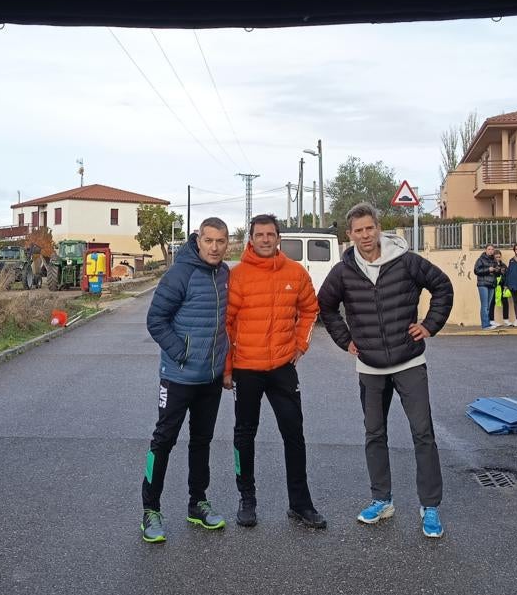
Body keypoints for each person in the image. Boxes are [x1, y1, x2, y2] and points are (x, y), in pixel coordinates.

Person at [317, 203, 454, 538]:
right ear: (349, 235)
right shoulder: (343, 271)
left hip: (410, 362)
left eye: (369, 228)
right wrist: (345, 340)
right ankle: (382, 500)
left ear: (378, 228)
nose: (365, 235)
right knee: (374, 434)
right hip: (370, 366)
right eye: (358, 230)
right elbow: (326, 306)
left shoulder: (406, 261)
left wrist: (429, 325)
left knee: (423, 434)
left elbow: (442, 286)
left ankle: (430, 506)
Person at [224, 214, 326, 530]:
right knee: (244, 435)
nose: (265, 239)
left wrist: (301, 345)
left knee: (294, 434)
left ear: (278, 238)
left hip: (283, 368)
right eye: (260, 235)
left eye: (271, 234)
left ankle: (300, 504)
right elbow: (226, 324)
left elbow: (310, 310)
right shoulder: (237, 276)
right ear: (251, 239)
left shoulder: (295, 272)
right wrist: (227, 368)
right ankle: (247, 500)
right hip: (246, 369)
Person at [140, 218, 231, 543]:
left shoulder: (224, 274)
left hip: (210, 378)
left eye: (221, 241)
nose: (215, 247)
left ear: (227, 243)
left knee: (201, 441)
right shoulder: (180, 274)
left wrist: (223, 364)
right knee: (163, 441)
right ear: (198, 239)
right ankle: (150, 510)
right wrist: (181, 353)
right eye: (209, 240)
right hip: (178, 377)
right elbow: (156, 320)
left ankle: (197, 503)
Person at [473, 244, 499, 330]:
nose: (491, 251)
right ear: (486, 250)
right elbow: (476, 270)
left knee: (488, 305)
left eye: (492, 249)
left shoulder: (494, 260)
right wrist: (488, 269)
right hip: (483, 284)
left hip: (491, 284)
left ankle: (487, 323)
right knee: (484, 305)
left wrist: (497, 270)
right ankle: (485, 325)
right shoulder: (480, 259)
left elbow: (497, 273)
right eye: (489, 249)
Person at [490, 249, 511, 327]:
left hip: (502, 286)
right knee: (492, 302)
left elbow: (507, 276)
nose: (498, 258)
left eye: (499, 257)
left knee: (505, 302)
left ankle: (506, 320)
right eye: (496, 257)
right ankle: (491, 320)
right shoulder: (492, 265)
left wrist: (506, 285)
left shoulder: (504, 265)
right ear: (494, 257)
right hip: (494, 286)